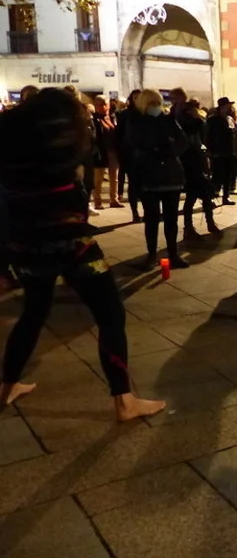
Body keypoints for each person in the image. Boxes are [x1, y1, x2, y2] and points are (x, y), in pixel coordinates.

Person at [0, 89, 165, 421]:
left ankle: (7, 387)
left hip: (28, 249)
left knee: (33, 312)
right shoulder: (60, 154)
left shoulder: (13, 156)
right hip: (74, 247)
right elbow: (77, 201)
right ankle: (124, 401)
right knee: (110, 315)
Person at [128, 90, 189, 270]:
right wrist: (162, 147)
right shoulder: (137, 122)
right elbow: (136, 144)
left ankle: (173, 254)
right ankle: (152, 255)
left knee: (171, 218)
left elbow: (182, 142)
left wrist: (163, 149)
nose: (154, 106)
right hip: (149, 176)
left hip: (170, 175)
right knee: (152, 218)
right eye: (151, 103)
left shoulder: (168, 120)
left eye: (157, 103)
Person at [176, 95, 221, 241]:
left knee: (203, 195)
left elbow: (201, 136)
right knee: (193, 197)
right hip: (189, 164)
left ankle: (205, 224)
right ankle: (190, 228)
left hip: (196, 162)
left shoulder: (194, 124)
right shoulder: (186, 124)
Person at [115, 90, 142, 222]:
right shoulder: (125, 114)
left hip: (144, 154)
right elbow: (119, 134)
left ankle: (147, 211)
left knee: (143, 184)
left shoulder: (145, 113)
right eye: (135, 97)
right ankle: (135, 212)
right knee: (133, 183)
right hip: (130, 153)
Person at [91, 96, 121, 209]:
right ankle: (97, 201)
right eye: (100, 105)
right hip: (100, 151)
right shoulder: (94, 119)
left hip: (112, 150)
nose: (103, 107)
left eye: (105, 104)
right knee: (98, 179)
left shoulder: (113, 117)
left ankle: (114, 199)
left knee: (114, 178)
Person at [206, 97, 237, 206]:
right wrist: (210, 150)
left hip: (230, 151)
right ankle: (212, 196)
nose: (230, 107)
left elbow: (234, 134)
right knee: (216, 176)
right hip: (218, 152)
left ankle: (226, 196)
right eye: (228, 105)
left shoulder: (229, 119)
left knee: (228, 175)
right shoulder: (213, 120)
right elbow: (208, 136)